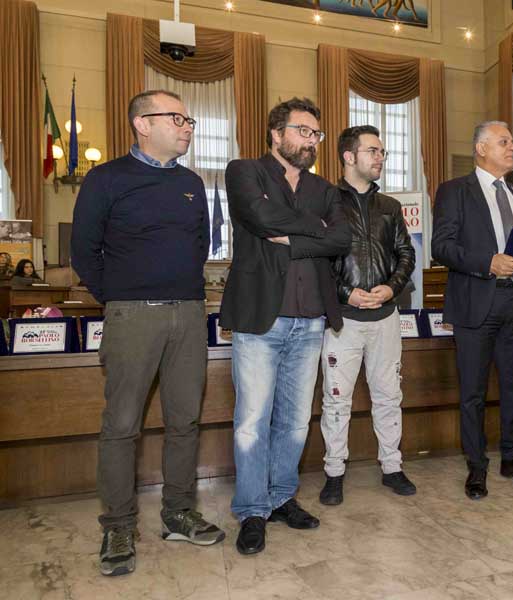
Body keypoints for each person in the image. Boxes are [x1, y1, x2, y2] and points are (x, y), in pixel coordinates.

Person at [71, 90, 224, 577]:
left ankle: (178, 513)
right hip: (132, 317)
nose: (188, 126)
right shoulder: (106, 179)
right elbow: (83, 252)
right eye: (177, 118)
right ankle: (117, 525)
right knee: (121, 426)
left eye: (189, 119)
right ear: (142, 123)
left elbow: (200, 245)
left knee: (185, 422)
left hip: (189, 315)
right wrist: (120, 296)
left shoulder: (191, 183)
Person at [221, 97, 351, 556]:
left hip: (311, 320)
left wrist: (292, 240)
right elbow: (259, 218)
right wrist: (315, 229)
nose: (311, 140)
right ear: (276, 134)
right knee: (252, 422)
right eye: (302, 131)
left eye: (316, 134)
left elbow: (342, 238)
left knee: (295, 422)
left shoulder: (325, 189)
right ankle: (252, 510)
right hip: (261, 318)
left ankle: (280, 498)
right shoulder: (245, 172)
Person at [432, 121, 513, 501]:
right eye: (504, 142)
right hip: (476, 301)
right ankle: (476, 465)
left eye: (512, 142)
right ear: (481, 148)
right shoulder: (455, 191)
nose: (512, 147)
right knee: (473, 391)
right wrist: (487, 262)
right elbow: (441, 246)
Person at [317, 125, 417, 506]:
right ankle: (334, 473)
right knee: (336, 399)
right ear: (349, 156)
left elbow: (406, 254)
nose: (380, 158)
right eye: (372, 151)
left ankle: (392, 467)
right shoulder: (326, 203)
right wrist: (347, 293)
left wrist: (391, 288)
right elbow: (319, 260)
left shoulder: (389, 207)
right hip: (342, 320)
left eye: (382, 152)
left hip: (386, 318)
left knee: (389, 396)